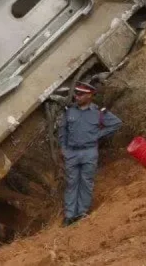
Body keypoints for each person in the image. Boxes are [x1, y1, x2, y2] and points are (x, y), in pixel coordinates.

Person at [58, 82, 122, 226]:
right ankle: (69, 216)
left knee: (86, 182)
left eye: (80, 94)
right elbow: (63, 131)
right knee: (71, 183)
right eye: (76, 93)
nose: (77, 96)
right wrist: (63, 147)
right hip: (72, 153)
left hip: (89, 152)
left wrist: (98, 135)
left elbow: (116, 123)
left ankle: (81, 213)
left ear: (90, 96)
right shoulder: (69, 111)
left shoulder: (99, 112)